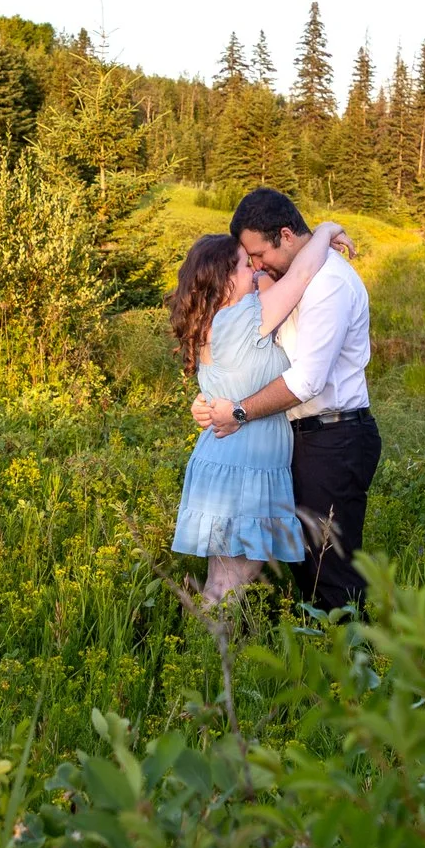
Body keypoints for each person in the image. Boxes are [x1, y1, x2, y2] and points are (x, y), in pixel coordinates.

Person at [193, 188, 380, 615]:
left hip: (333, 437)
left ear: (285, 235)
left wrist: (238, 411)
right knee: (301, 566)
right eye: (250, 259)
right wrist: (325, 230)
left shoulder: (329, 284)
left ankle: (360, 664)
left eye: (259, 255)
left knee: (331, 568)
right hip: (295, 439)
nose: (257, 267)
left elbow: (307, 380)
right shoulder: (283, 280)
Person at [165, 218, 352, 605]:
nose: (254, 269)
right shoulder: (244, 318)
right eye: (243, 264)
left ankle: (200, 652)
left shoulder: (211, 322)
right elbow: (299, 275)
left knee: (223, 579)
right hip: (245, 464)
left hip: (225, 457)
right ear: (225, 279)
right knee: (232, 582)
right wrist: (325, 230)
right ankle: (212, 657)